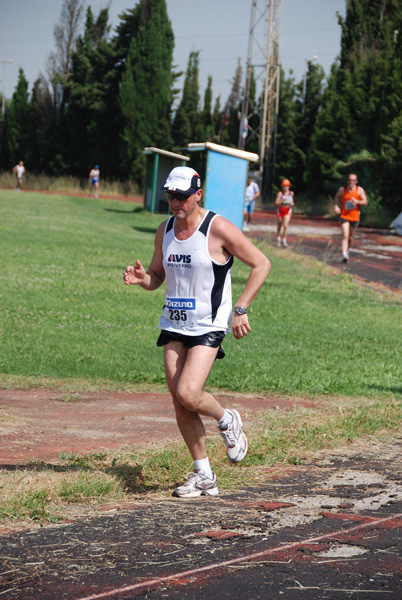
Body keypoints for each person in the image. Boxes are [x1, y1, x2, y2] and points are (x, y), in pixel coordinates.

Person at [123, 166, 271, 498]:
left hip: (209, 323)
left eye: (182, 196)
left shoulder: (216, 228)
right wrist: (142, 279)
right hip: (174, 322)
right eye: (170, 196)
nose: (175, 203)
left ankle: (226, 418)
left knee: (189, 392)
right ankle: (204, 474)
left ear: (197, 194)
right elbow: (157, 275)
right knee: (179, 401)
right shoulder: (165, 230)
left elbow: (261, 263)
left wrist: (242, 307)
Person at [334, 173, 368, 263]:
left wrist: (357, 201)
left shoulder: (359, 190)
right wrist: (336, 206)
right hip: (344, 215)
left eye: (353, 180)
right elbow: (337, 197)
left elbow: (365, 202)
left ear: (356, 181)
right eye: (349, 180)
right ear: (347, 180)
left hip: (355, 216)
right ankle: (344, 254)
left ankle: (347, 250)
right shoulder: (342, 189)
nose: (351, 182)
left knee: (350, 237)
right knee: (345, 234)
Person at [275, 179, 294, 247]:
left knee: (285, 225)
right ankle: (278, 237)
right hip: (280, 210)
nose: (285, 188)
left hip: (287, 210)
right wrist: (282, 202)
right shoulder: (280, 193)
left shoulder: (291, 193)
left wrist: (291, 203)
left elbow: (292, 203)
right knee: (279, 224)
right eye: (284, 186)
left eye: (287, 186)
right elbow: (276, 203)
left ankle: (284, 239)